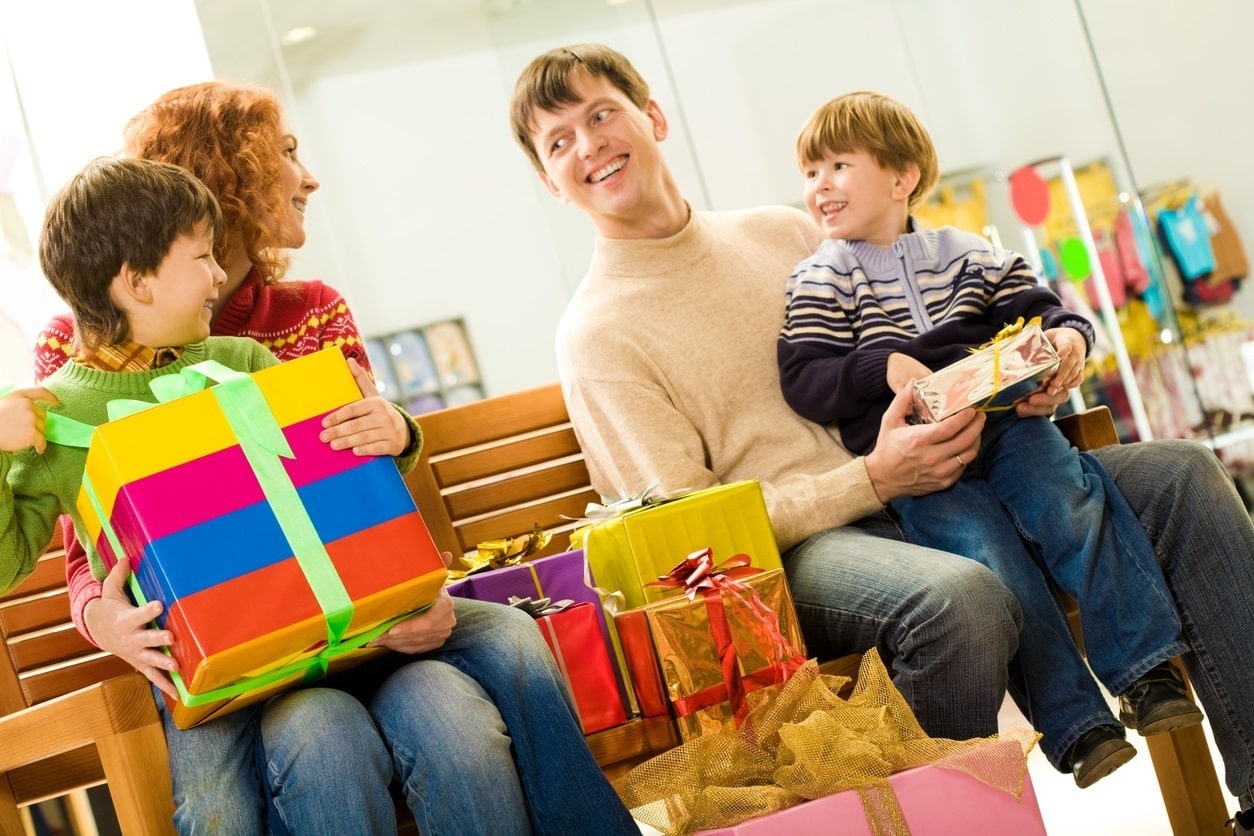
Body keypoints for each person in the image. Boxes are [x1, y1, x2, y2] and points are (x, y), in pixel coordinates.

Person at [508, 42, 1254, 830]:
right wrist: (871, 481)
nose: (588, 145)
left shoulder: (785, 233)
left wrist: (1036, 361)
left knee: (1181, 476)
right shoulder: (597, 335)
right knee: (959, 600)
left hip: (952, 472)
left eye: (601, 114)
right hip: (807, 547)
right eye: (558, 141)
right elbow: (684, 542)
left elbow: (945, 299)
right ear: (549, 182)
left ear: (652, 118)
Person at [30, 82, 637, 836]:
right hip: (237, 636)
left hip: (358, 608)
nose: (307, 176)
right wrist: (104, 617)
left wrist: (398, 436)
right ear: (220, 189)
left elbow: (360, 476)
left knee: (498, 656)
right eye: (285, 155)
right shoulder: (79, 355)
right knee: (282, 761)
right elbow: (90, 541)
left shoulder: (293, 321)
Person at [776, 90, 1201, 786]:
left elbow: (1046, 312)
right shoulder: (820, 278)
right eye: (809, 172)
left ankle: (1150, 674)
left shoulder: (966, 253)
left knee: (1071, 501)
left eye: (838, 166)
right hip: (924, 464)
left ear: (901, 176)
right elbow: (805, 377)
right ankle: (1076, 726)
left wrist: (1068, 337)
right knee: (988, 559)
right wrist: (880, 363)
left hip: (1008, 426)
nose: (818, 185)